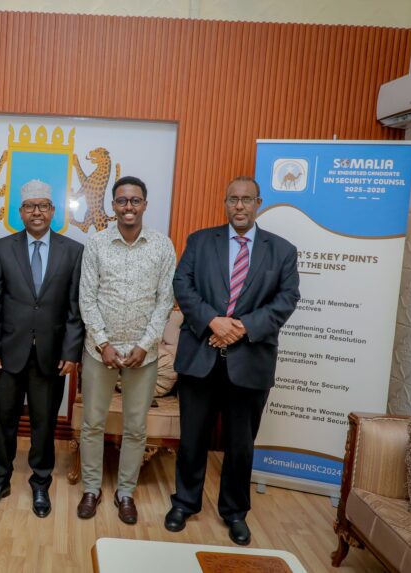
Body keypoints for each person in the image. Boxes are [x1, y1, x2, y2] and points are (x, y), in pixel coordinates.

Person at [165, 176, 300, 546]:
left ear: (258, 203)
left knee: (241, 445)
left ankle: (235, 512)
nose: (239, 206)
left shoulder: (282, 251)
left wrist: (241, 327)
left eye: (246, 200)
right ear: (225, 203)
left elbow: (287, 299)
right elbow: (183, 285)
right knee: (192, 439)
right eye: (232, 200)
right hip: (200, 358)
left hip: (250, 361)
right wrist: (213, 320)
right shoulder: (200, 241)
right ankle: (185, 503)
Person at [0, 180, 85, 518]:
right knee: (3, 420)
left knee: (44, 422)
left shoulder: (73, 250)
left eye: (43, 206)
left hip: (52, 355)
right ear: (20, 213)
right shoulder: (3, 249)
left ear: (53, 211)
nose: (36, 212)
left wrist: (71, 352)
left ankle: (41, 484)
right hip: (8, 352)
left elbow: (75, 308)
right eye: (29, 207)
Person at [76, 175, 176, 525]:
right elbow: (86, 297)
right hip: (97, 351)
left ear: (145, 205)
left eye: (135, 200)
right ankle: (91, 488)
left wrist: (144, 345)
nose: (128, 206)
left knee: (135, 427)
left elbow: (164, 301)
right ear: (113, 206)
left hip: (142, 355)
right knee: (92, 423)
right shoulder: (97, 243)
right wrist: (102, 343)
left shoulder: (162, 246)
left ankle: (125, 493)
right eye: (122, 200)